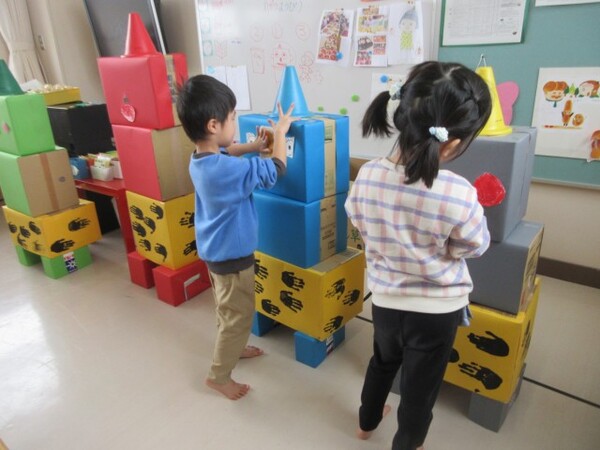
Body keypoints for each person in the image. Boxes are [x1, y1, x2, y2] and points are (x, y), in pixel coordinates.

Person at [345, 61, 492, 449]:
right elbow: (475, 246)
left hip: (386, 300)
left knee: (382, 362)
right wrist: (444, 247)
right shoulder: (458, 192)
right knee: (419, 388)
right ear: (453, 144)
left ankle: (365, 423)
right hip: (436, 312)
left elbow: (357, 219)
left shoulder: (368, 174)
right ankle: (408, 443)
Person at [176, 74, 296, 400]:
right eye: (232, 118)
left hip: (216, 253)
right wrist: (280, 134)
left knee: (227, 309)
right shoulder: (226, 171)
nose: (234, 122)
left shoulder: (201, 159)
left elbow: (228, 151)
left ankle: (235, 346)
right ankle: (219, 376)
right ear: (213, 125)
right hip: (232, 257)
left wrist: (254, 147)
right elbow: (275, 170)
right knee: (238, 316)